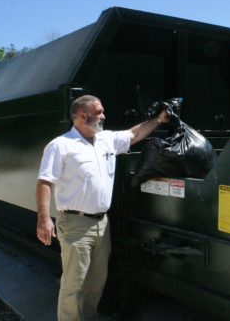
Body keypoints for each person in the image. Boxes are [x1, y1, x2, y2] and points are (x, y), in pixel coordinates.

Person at [36, 95, 169, 321]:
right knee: (73, 286)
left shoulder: (106, 140)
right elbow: (45, 182)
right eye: (98, 112)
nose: (103, 116)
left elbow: (134, 133)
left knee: (96, 284)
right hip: (75, 224)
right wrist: (44, 219)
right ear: (81, 116)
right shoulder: (61, 145)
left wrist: (159, 120)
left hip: (101, 223)